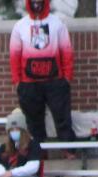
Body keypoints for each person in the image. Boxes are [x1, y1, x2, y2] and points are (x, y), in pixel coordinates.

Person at [10, 0, 75, 146]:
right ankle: (39, 154)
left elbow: (67, 51)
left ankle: (69, 151)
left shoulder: (57, 23)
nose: (36, 2)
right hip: (28, 83)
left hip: (55, 81)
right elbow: (14, 56)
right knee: (34, 123)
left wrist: (67, 78)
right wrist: (17, 81)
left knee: (63, 118)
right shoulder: (20, 26)